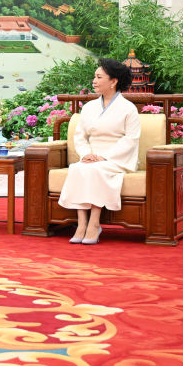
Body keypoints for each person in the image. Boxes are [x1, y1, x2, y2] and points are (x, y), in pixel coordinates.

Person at [58, 58, 141, 245]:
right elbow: (80, 136)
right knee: (78, 168)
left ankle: (94, 223)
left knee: (96, 169)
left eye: (99, 77)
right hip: (91, 156)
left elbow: (131, 139)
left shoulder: (128, 108)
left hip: (118, 158)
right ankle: (81, 224)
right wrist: (86, 154)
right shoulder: (89, 107)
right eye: (94, 77)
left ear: (113, 81)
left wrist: (104, 157)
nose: (94, 81)